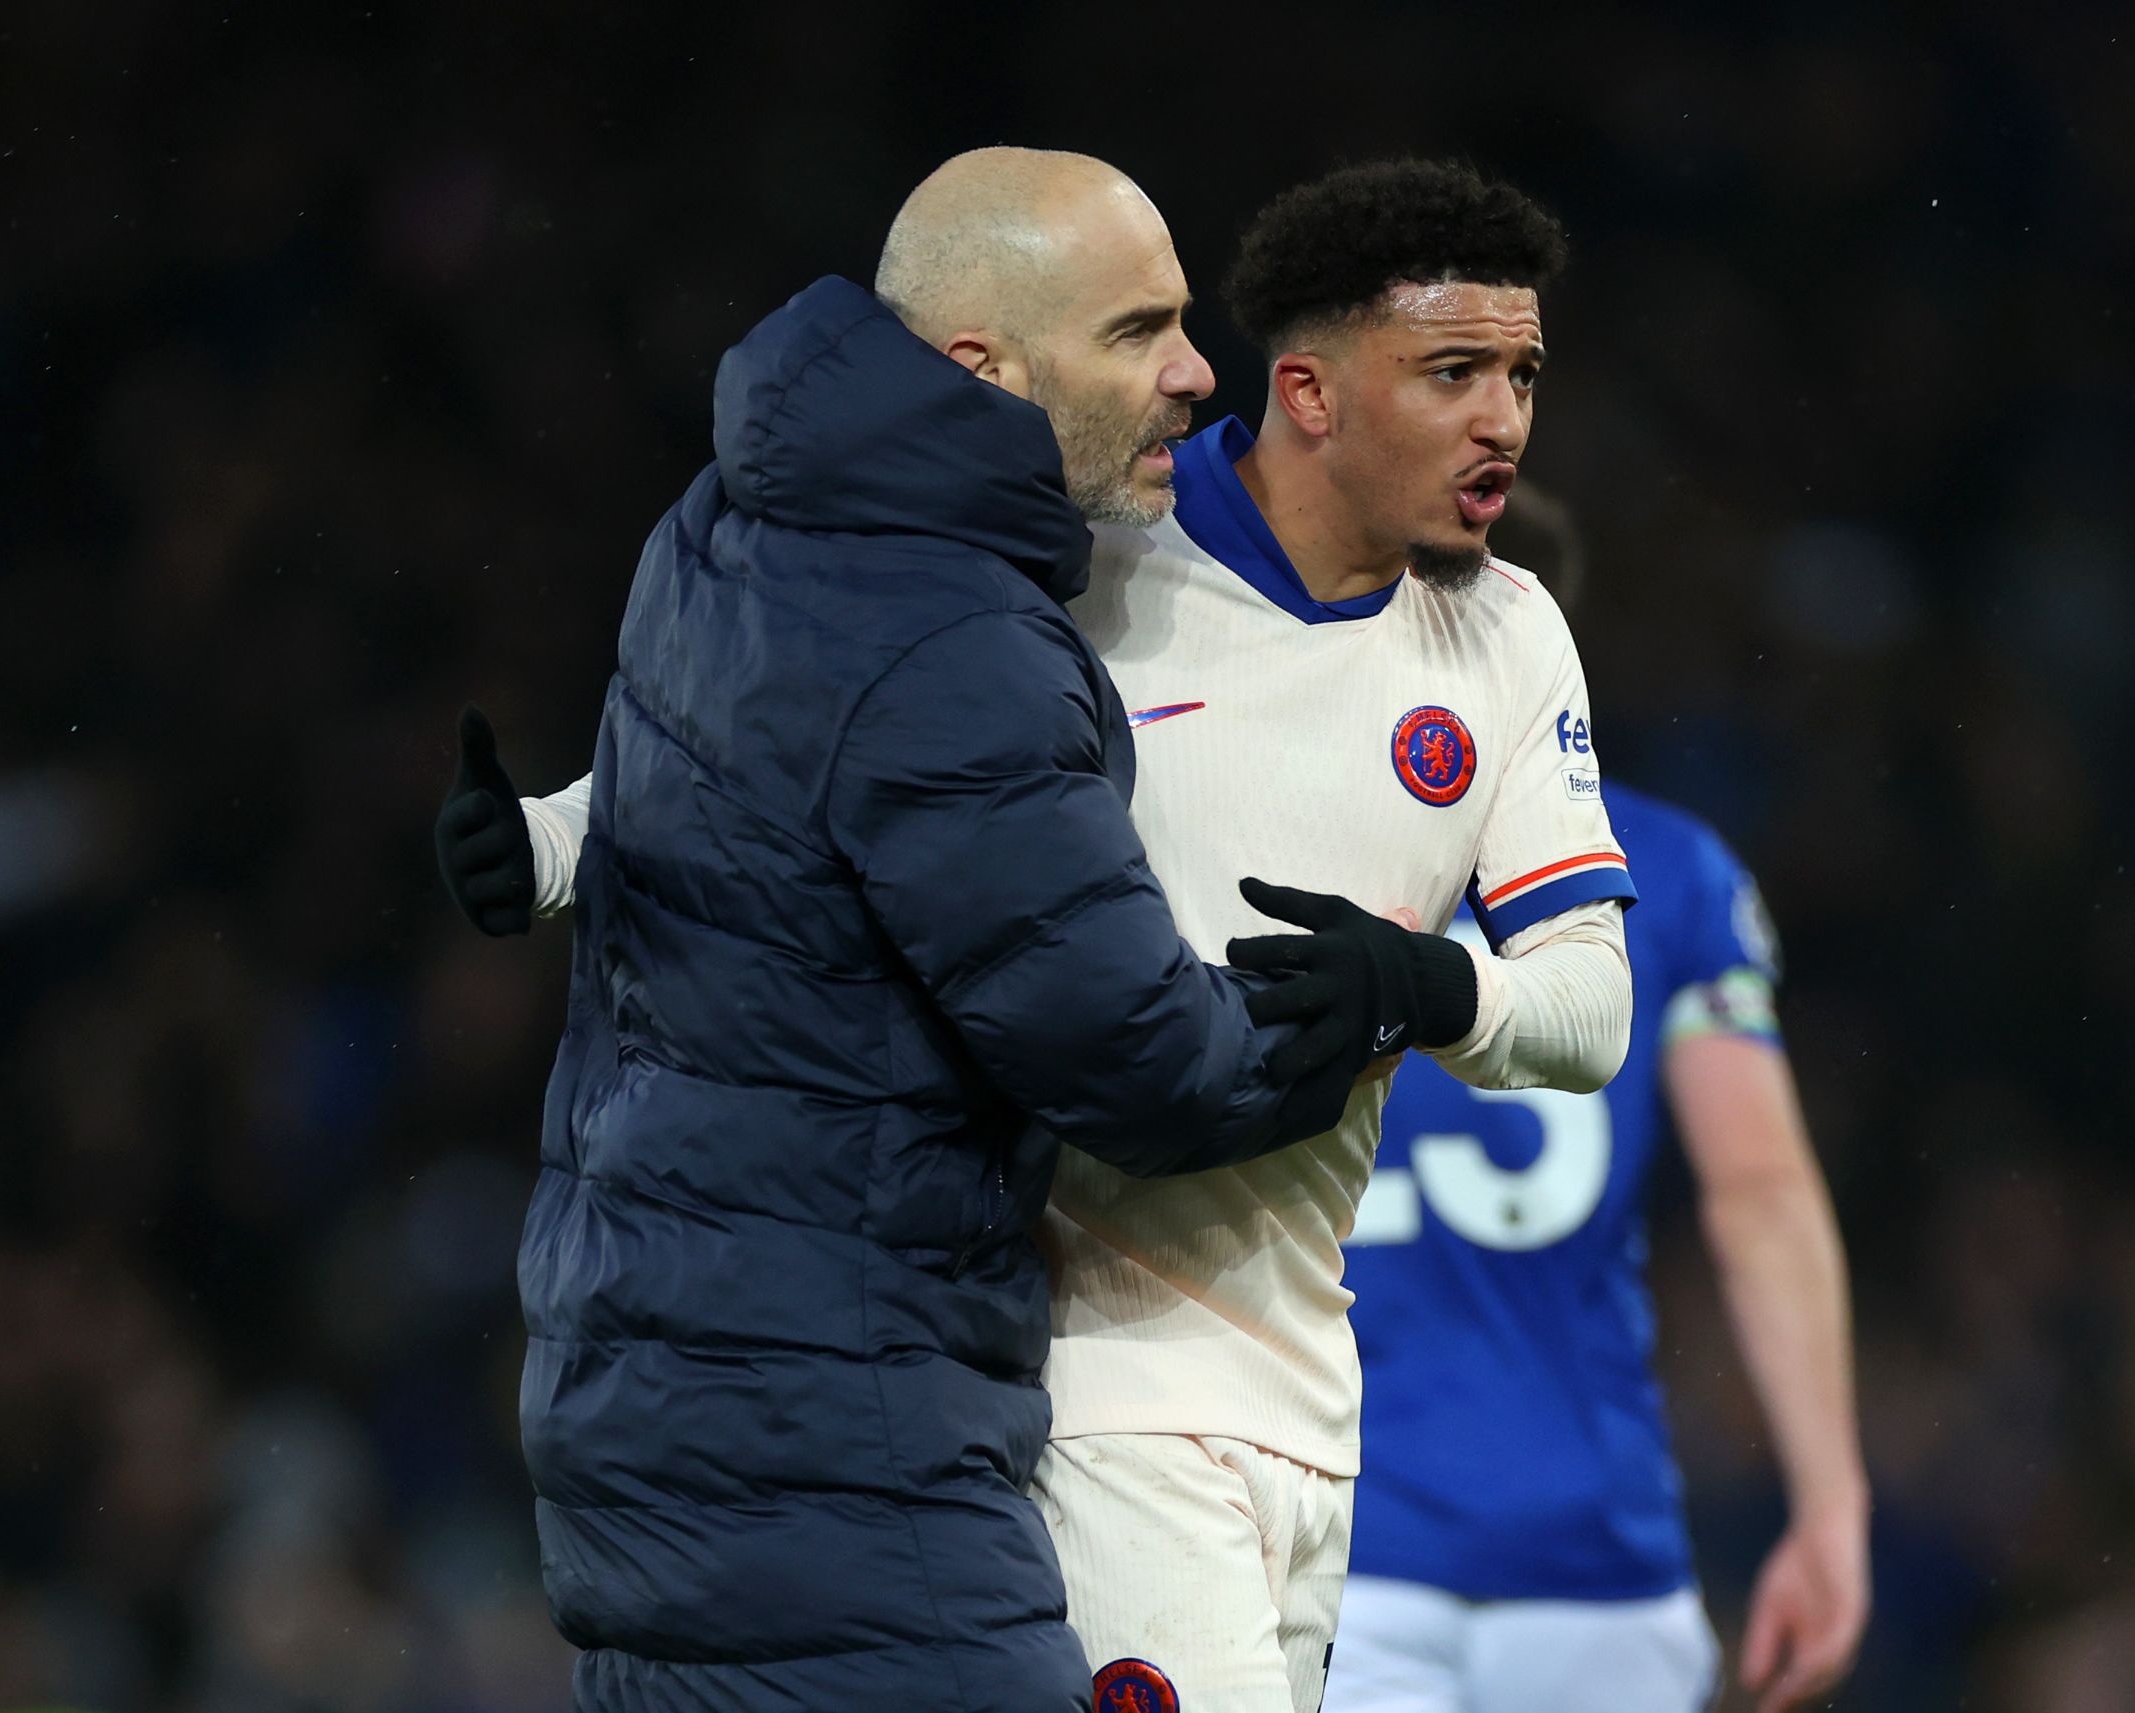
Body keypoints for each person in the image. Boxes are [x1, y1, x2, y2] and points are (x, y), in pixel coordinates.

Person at [452, 160, 1637, 1713]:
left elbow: (1591, 1007)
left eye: (1523, 375)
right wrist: (551, 841)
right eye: (1454, 372)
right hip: (1085, 1369)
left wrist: (1431, 986)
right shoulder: (1093, 566)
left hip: (1310, 1372)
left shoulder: (1506, 633)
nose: (1505, 420)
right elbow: (817, 744)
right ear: (1310, 391)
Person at [1328, 503, 1868, 1713]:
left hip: (1337, 1548)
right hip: (1596, 1562)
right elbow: (1761, 1191)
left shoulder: (1274, 839)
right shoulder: (1667, 870)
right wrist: (1830, 1503)